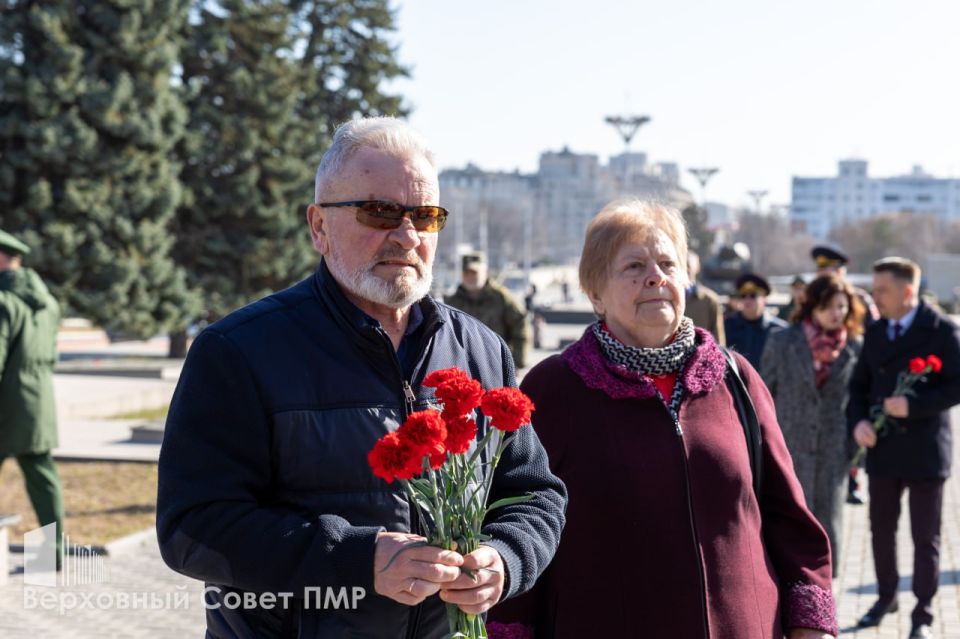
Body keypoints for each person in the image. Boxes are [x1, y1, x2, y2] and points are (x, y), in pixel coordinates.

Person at [156, 117, 567, 638]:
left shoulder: (480, 350)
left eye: (425, 216)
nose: (407, 235)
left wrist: (505, 559)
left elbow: (535, 494)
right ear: (319, 227)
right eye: (380, 212)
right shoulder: (237, 351)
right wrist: (355, 557)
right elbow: (191, 527)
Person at [488, 199, 837, 639]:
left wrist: (810, 624)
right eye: (634, 266)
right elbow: (520, 519)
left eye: (668, 264)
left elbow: (788, 515)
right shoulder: (553, 388)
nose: (656, 277)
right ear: (595, 293)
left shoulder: (737, 378)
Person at [849, 257, 960, 639]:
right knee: (881, 530)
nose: (875, 297)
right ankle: (886, 598)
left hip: (926, 450)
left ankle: (923, 614)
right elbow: (858, 387)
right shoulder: (877, 331)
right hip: (883, 448)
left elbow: (957, 385)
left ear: (907, 291)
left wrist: (914, 405)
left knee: (925, 537)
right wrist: (858, 422)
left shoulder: (941, 330)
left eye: (882, 290)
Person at [761, 274, 864, 578]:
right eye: (828, 306)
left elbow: (860, 398)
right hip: (789, 446)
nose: (836, 313)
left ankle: (825, 590)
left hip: (834, 449)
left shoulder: (855, 347)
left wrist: (854, 450)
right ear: (812, 306)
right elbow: (764, 395)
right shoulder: (783, 341)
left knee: (829, 522)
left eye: (842, 307)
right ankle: (790, 583)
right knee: (790, 518)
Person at [0, 230, 64, 566]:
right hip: (38, 400)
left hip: (6, 403)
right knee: (43, 479)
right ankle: (52, 554)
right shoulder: (48, 302)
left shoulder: (3, 301)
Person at [445, 252, 528, 368]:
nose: (470, 277)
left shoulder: (501, 298)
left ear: (485, 272)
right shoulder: (452, 302)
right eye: (466, 273)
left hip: (497, 364)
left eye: (474, 273)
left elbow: (520, 324)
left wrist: (517, 362)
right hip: (463, 366)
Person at [724, 273, 788, 371]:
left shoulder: (779, 329)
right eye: (743, 295)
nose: (747, 300)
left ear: (765, 299)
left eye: (753, 296)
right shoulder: (726, 326)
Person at [812, 245, 880, 328]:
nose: (820, 273)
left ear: (840, 271)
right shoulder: (810, 298)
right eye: (820, 269)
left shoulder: (860, 298)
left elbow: (875, 327)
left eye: (840, 306)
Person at [684, 250, 726, 345]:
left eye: (689, 264)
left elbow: (718, 337)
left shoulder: (709, 300)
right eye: (683, 264)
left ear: (698, 267)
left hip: (701, 352)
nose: (686, 268)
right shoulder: (668, 297)